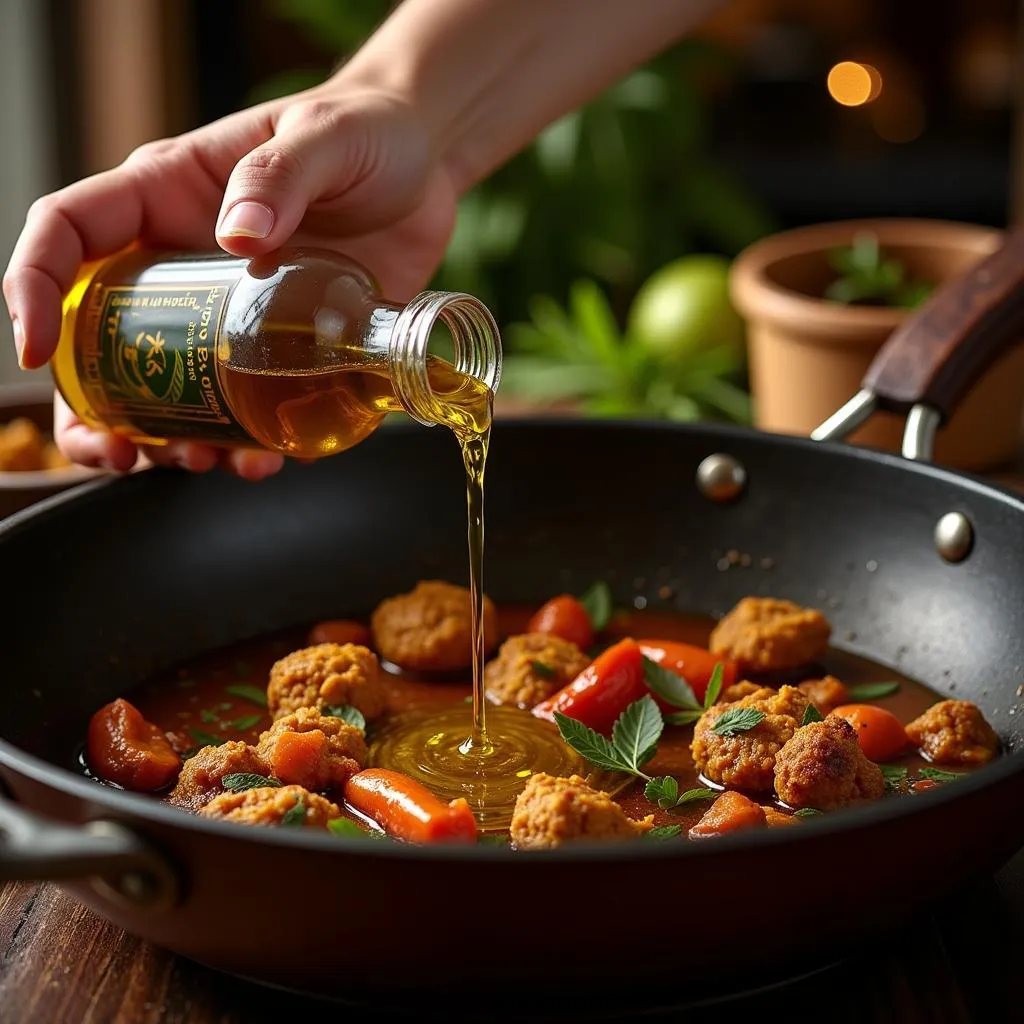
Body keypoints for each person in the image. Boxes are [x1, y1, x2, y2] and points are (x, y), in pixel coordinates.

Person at [1, 0, 723, 479]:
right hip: (112, 296)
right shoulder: (336, 300)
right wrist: (406, 109)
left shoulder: (336, 377)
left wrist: (420, 116)